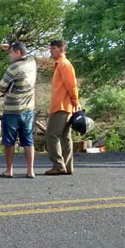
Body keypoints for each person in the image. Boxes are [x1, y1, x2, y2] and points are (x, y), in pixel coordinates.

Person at [0, 42, 37, 178]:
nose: (9, 55)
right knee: (28, 140)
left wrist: (7, 87)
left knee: (9, 142)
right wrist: (10, 47)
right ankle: (30, 170)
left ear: (17, 53)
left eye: (11, 52)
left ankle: (9, 170)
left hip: (12, 110)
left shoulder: (13, 68)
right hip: (28, 109)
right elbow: (27, 54)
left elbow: (1, 87)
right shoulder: (32, 63)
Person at [45, 40, 80, 175]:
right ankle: (67, 166)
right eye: (50, 48)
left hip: (61, 106)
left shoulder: (64, 64)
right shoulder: (60, 64)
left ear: (61, 49)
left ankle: (59, 165)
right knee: (65, 136)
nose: (50, 50)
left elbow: (72, 85)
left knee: (51, 135)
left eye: (53, 48)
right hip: (64, 106)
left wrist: (75, 101)